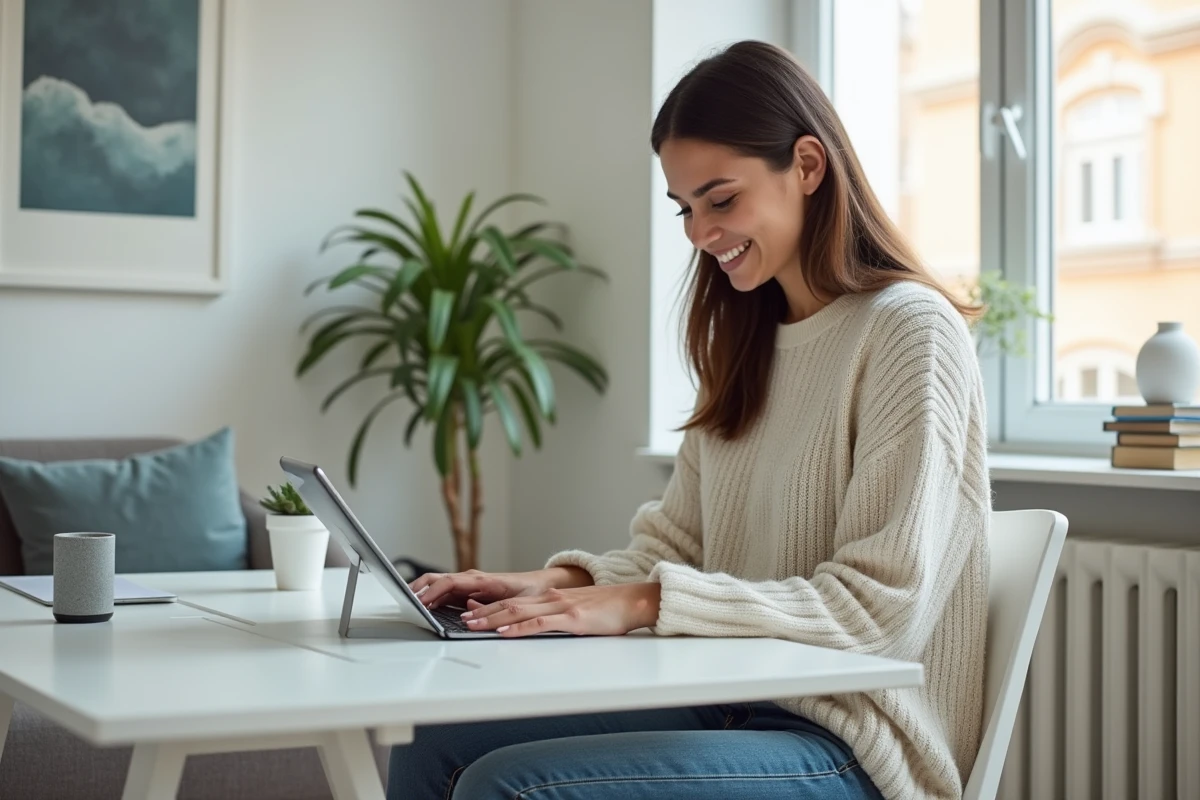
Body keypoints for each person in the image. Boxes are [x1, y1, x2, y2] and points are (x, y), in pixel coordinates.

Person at [389, 39, 990, 800]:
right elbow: (678, 547)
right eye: (685, 207)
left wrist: (639, 602)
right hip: (731, 699)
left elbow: (878, 613)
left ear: (807, 166)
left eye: (721, 198)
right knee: (430, 742)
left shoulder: (908, 331)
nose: (699, 233)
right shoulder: (745, 339)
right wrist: (540, 585)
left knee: (513, 787)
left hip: (852, 744)